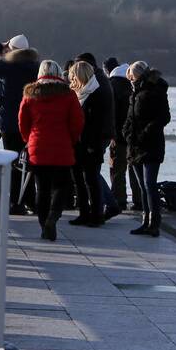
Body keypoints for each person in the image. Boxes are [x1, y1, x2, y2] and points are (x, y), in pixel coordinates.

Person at [18, 61, 84, 241]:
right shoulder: (68, 95)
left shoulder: (29, 95)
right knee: (62, 186)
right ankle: (53, 217)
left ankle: (43, 225)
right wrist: (71, 138)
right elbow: (77, 121)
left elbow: (23, 122)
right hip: (62, 146)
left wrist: (28, 140)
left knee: (42, 189)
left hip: (38, 147)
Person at [0, 34, 39, 214]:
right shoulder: (35, 68)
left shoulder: (9, 68)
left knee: (12, 162)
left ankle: (15, 202)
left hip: (9, 122)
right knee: (29, 162)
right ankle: (30, 199)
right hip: (30, 121)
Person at [122, 61, 171, 237]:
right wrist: (127, 133)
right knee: (142, 186)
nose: (131, 81)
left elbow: (163, 117)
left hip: (150, 145)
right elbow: (130, 117)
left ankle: (154, 223)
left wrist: (144, 133)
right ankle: (145, 221)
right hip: (135, 145)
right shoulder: (135, 93)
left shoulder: (155, 91)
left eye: (132, 78)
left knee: (150, 184)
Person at [69, 61, 113, 226]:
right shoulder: (78, 92)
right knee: (79, 180)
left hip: (91, 145)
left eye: (73, 75)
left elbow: (98, 123)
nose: (71, 78)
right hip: (78, 144)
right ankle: (84, 213)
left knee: (91, 180)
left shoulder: (96, 93)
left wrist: (94, 145)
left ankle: (96, 214)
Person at [108, 62, 142, 210]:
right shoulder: (134, 87)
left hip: (118, 136)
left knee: (117, 169)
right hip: (134, 136)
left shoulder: (112, 88)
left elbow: (110, 113)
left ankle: (119, 199)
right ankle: (139, 200)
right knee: (134, 169)